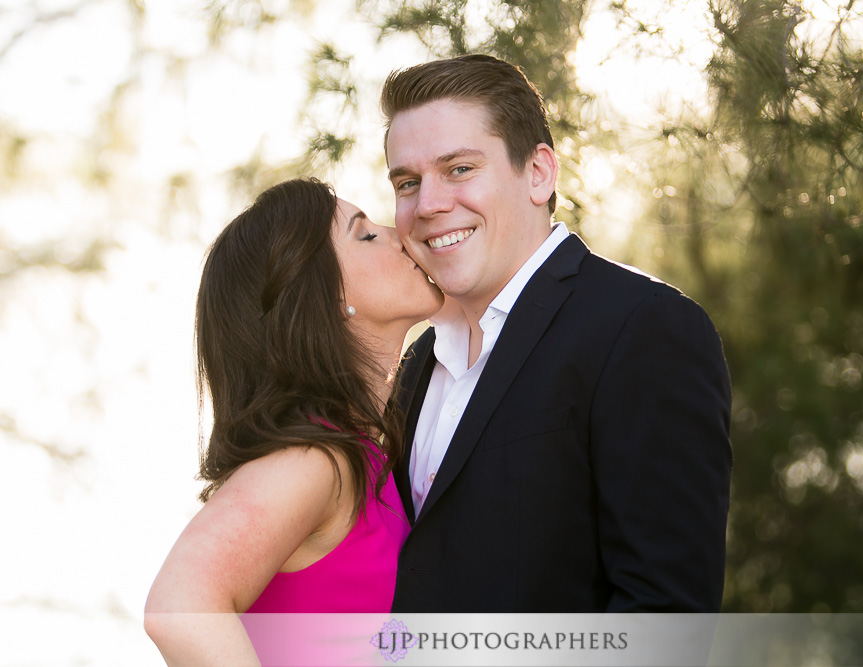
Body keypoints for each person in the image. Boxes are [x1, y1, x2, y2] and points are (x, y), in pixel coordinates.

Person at [381, 54, 733, 612]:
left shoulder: (643, 329)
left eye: (459, 169)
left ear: (539, 173)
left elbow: (662, 618)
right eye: (407, 182)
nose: (428, 205)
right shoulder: (416, 365)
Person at [144, 178, 443, 664]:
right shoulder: (314, 459)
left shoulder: (366, 452)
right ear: (323, 298)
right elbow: (179, 606)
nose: (400, 233)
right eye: (365, 235)